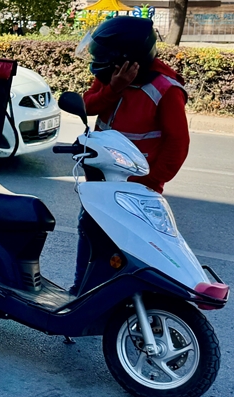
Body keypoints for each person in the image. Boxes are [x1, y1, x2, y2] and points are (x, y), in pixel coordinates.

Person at [72, 16, 189, 293]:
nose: (97, 61)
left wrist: (149, 183)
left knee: (130, 245)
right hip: (101, 181)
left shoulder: (165, 90)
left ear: (129, 60)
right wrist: (115, 88)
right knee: (90, 232)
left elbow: (177, 145)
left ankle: (127, 301)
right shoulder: (111, 77)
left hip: (137, 190)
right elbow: (88, 105)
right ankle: (81, 293)